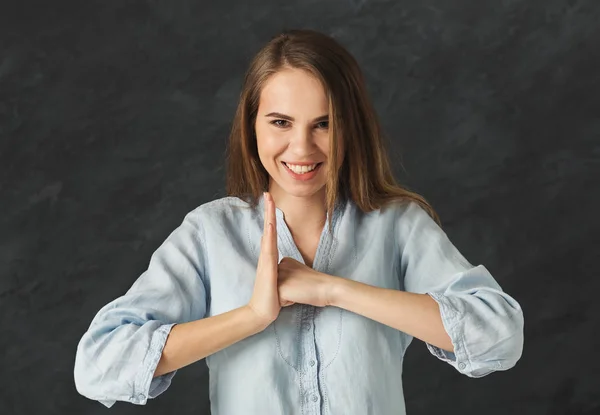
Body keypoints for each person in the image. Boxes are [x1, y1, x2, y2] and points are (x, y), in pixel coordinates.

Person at [73, 29, 524, 414]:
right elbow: (98, 366)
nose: (302, 148)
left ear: (352, 127)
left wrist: (332, 289)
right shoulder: (210, 234)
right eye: (281, 122)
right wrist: (251, 316)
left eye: (324, 124)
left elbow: (499, 337)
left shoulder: (398, 226)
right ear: (252, 127)